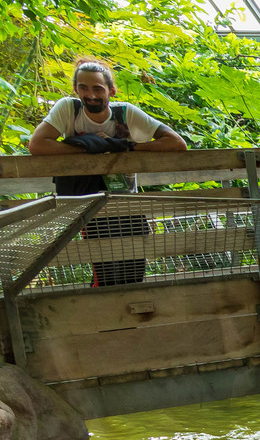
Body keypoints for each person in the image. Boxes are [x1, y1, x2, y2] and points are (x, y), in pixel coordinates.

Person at [27, 58, 187, 285]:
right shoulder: (68, 109)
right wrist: (85, 147)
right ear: (75, 89)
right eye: (83, 88)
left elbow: (177, 143)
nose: (90, 95)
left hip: (126, 202)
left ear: (111, 91)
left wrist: (128, 147)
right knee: (106, 272)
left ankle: (129, 317)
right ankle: (108, 317)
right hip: (89, 203)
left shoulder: (125, 113)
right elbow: (37, 145)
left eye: (98, 89)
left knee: (133, 269)